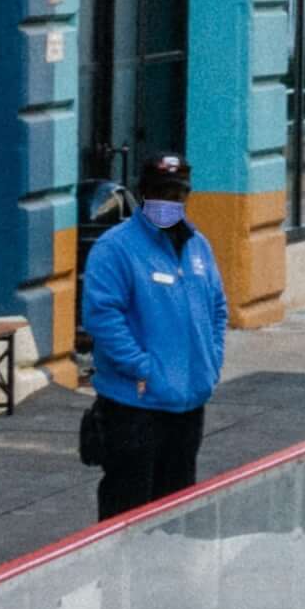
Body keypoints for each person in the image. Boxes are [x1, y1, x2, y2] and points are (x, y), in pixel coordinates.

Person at [74, 151, 228, 518]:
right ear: (144, 194)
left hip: (187, 405)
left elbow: (218, 308)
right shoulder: (116, 248)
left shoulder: (198, 247)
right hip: (135, 406)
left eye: (177, 194)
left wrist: (211, 361)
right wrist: (142, 368)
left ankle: (169, 577)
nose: (170, 202)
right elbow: (102, 316)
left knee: (176, 515)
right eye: (161, 193)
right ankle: (118, 577)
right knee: (127, 511)